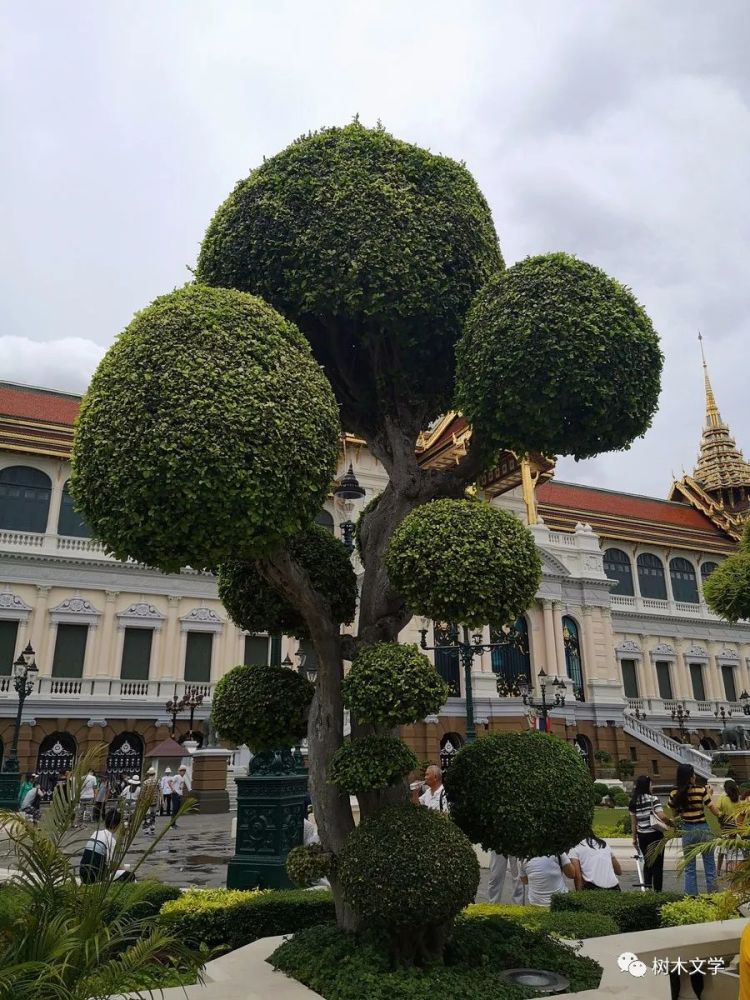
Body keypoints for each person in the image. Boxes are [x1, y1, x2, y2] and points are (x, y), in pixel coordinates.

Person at [668, 763, 720, 895]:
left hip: (688, 830)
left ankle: (691, 896)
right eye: (694, 774)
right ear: (690, 777)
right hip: (703, 829)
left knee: (689, 867)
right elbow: (713, 808)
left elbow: (674, 814)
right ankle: (713, 895)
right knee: (710, 865)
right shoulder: (700, 790)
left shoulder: (674, 793)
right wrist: (721, 815)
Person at [629, 774, 671, 891]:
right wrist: (671, 823)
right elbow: (661, 816)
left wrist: (634, 839)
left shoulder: (633, 802)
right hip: (655, 835)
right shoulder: (653, 799)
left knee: (647, 864)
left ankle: (647, 888)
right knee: (658, 865)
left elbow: (633, 823)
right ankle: (658, 891)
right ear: (647, 785)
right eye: (651, 784)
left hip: (642, 836)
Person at [79, 809, 133, 883]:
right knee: (129, 875)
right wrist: (122, 868)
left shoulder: (96, 833)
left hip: (82, 874)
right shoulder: (111, 840)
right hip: (94, 877)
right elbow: (111, 864)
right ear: (116, 825)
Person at [716, 778, 745, 875]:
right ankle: (731, 872)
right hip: (735, 827)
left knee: (722, 850)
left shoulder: (722, 798)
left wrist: (722, 817)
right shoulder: (738, 798)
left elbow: (717, 810)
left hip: (725, 827)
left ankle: (718, 871)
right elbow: (742, 812)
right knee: (733, 850)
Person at [141, 767, 158, 835]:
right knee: (153, 815)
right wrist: (161, 800)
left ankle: (146, 829)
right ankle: (152, 828)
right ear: (154, 774)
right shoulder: (157, 781)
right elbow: (160, 790)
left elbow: (142, 792)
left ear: (149, 774)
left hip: (147, 801)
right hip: (154, 801)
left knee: (147, 816)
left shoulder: (145, 782)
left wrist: (142, 800)